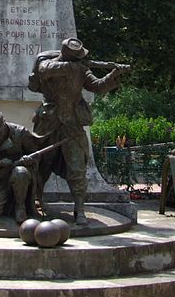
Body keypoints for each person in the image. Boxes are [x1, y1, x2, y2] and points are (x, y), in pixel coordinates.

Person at [30, 38, 129, 225]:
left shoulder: (81, 68)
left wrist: (113, 75)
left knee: (77, 167)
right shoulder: (47, 62)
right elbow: (44, 71)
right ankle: (35, 202)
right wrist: (74, 67)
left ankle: (80, 209)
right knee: (41, 164)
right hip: (48, 122)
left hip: (72, 123)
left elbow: (98, 86)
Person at [0, 109, 46, 223]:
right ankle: (6, 205)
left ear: (4, 124)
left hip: (21, 178)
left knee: (20, 172)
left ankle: (20, 207)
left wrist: (28, 160)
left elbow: (36, 155)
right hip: (0, 180)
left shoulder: (20, 132)